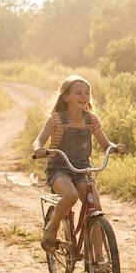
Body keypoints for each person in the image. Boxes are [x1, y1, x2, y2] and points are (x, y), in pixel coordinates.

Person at [31, 75, 125, 252]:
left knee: (95, 207)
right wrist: (39, 149)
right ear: (66, 97)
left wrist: (114, 147)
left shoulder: (91, 120)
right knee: (71, 196)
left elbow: (105, 144)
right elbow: (38, 141)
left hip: (82, 170)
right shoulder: (56, 119)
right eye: (78, 93)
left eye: (87, 93)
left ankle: (98, 256)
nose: (84, 97)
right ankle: (53, 226)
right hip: (59, 169)